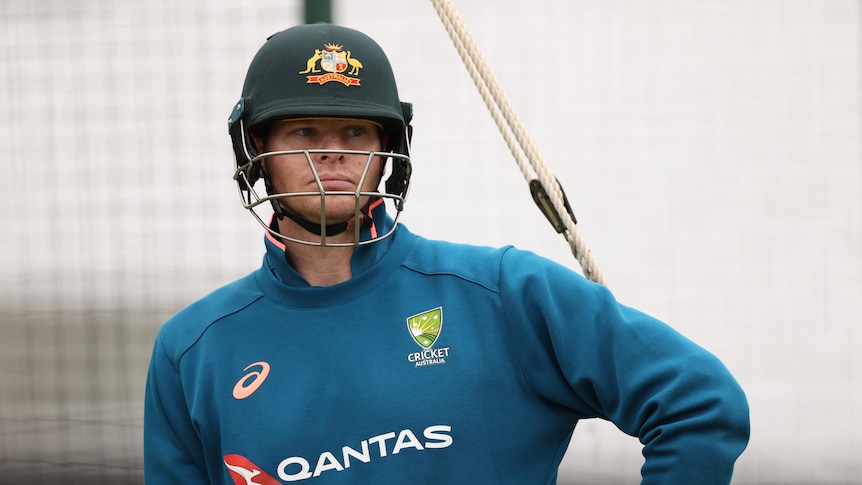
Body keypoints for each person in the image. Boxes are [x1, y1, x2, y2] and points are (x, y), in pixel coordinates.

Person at [144, 23, 750, 484]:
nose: (331, 153)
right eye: (303, 131)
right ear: (257, 148)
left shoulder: (505, 292)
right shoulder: (192, 349)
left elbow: (700, 403)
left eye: (355, 132)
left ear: (388, 151)